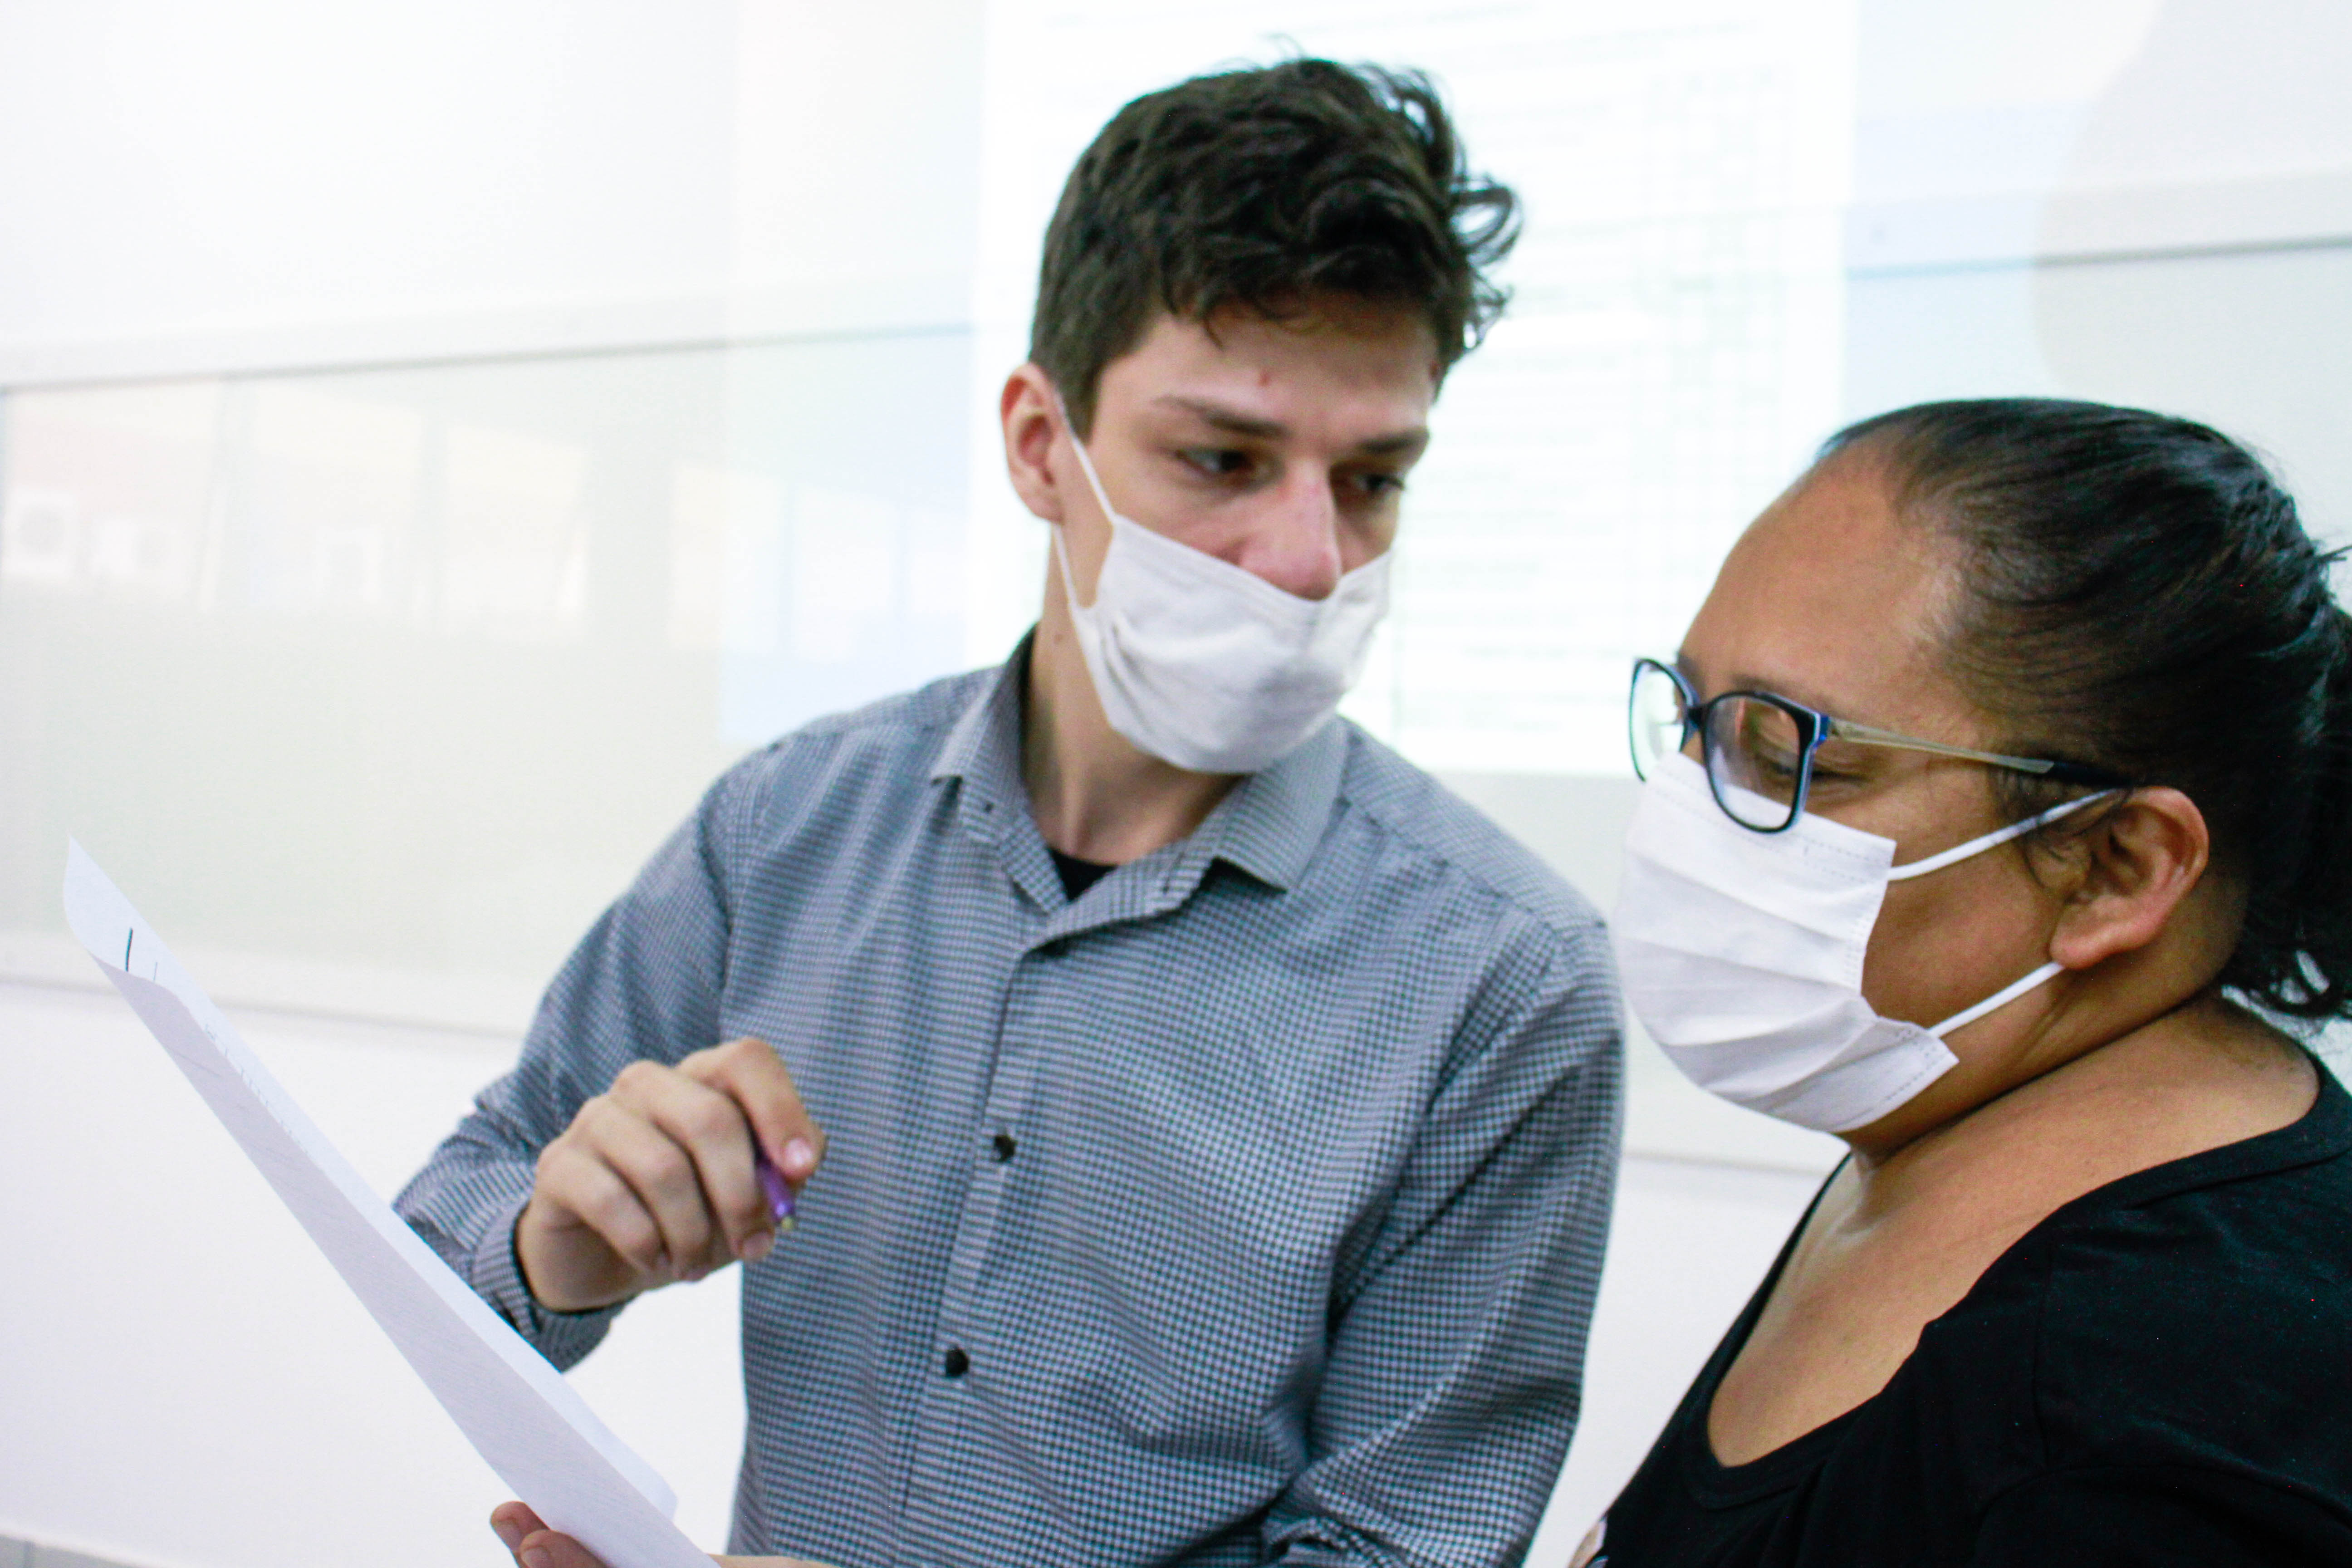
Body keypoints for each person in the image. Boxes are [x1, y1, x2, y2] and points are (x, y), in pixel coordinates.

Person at [399, 59, 1625, 1568]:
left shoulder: (1504, 983)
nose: (1313, 557)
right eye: (1223, 459)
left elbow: (1400, 1550)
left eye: (1372, 480)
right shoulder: (790, 826)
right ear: (1043, 444)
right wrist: (550, 1247)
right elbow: (446, 1220)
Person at [1578, 398, 2352, 1566]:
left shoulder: (2158, 1409)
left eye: (1789, 757)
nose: (1689, 803)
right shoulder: (1950, 1123)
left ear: (2117, 868)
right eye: (1693, 715)